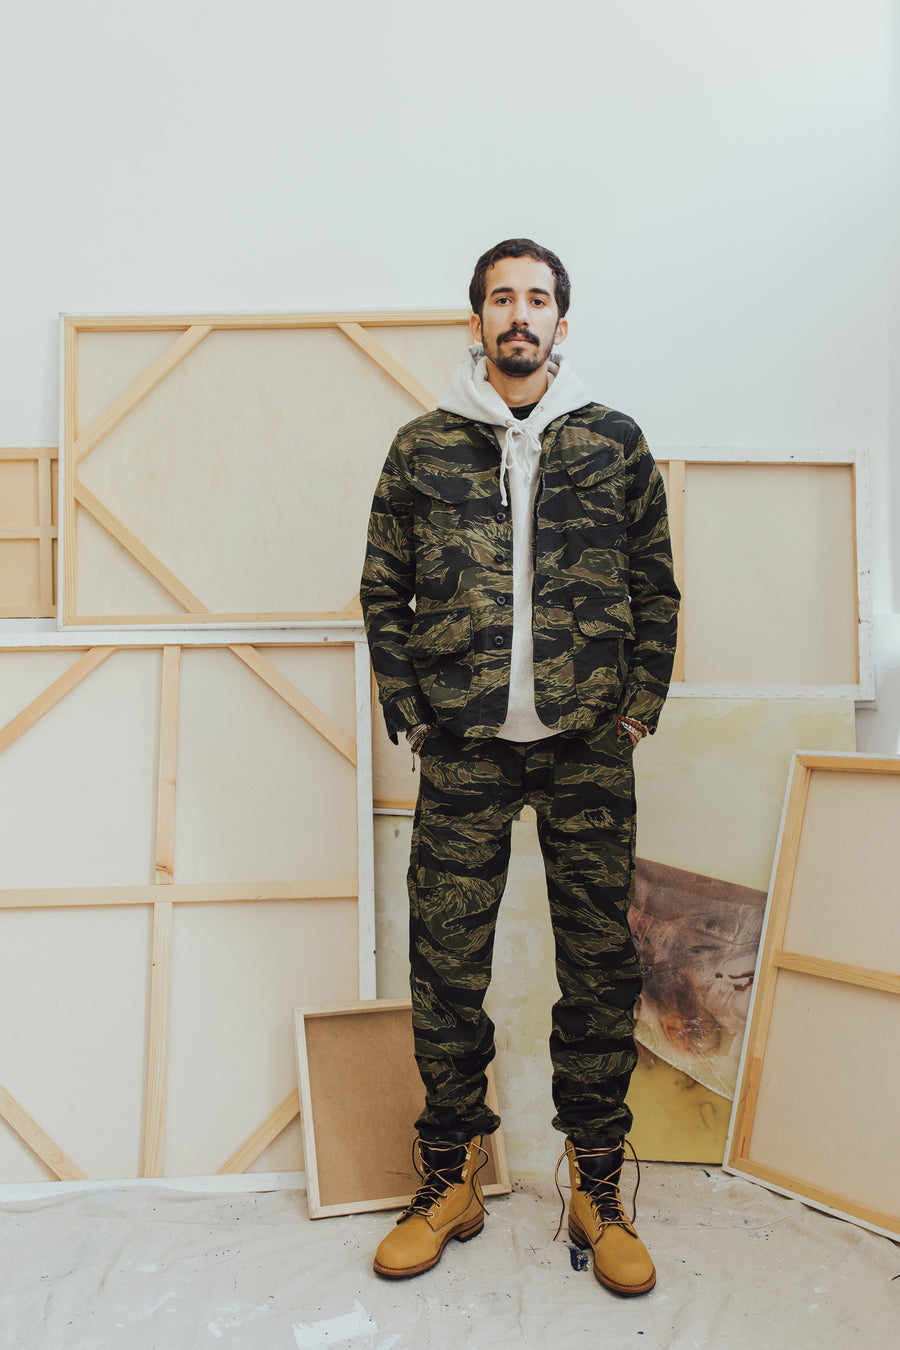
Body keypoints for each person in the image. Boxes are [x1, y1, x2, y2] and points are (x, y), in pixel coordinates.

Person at [360, 239, 679, 1294]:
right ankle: (449, 1175)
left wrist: (636, 710)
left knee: (598, 971)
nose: (519, 315)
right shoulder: (424, 449)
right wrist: (412, 713)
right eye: (502, 298)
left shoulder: (613, 443)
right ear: (478, 321)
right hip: (464, 749)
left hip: (588, 745)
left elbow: (656, 586)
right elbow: (383, 592)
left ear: (562, 324)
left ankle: (595, 1185)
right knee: (446, 970)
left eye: (537, 299)